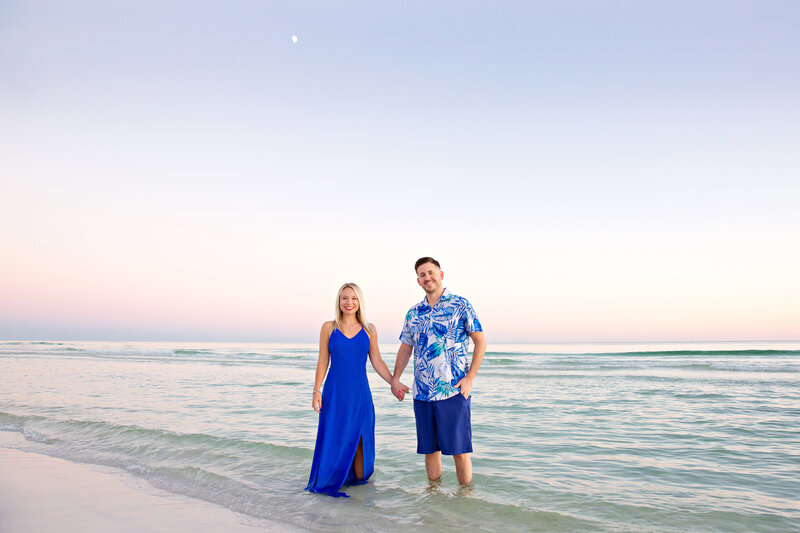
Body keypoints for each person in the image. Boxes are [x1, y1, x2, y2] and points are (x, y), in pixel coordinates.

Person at [391, 257, 486, 486]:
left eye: (431, 272)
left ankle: (465, 500)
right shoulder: (414, 313)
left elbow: (480, 341)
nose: (427, 277)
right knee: (430, 450)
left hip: (453, 391)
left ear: (441, 274)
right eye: (422, 275)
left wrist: (470, 378)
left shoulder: (460, 305)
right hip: (422, 392)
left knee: (459, 450)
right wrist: (395, 379)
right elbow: (405, 348)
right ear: (418, 280)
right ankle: (434, 501)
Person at [305, 282, 397, 497]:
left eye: (354, 298)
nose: (349, 302)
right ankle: (334, 481)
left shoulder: (369, 329)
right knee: (335, 437)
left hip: (360, 394)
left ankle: (361, 493)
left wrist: (394, 381)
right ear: (338, 301)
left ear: (359, 302)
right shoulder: (328, 327)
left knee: (360, 442)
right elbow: (322, 360)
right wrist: (316, 390)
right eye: (345, 298)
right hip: (335, 394)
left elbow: (377, 361)